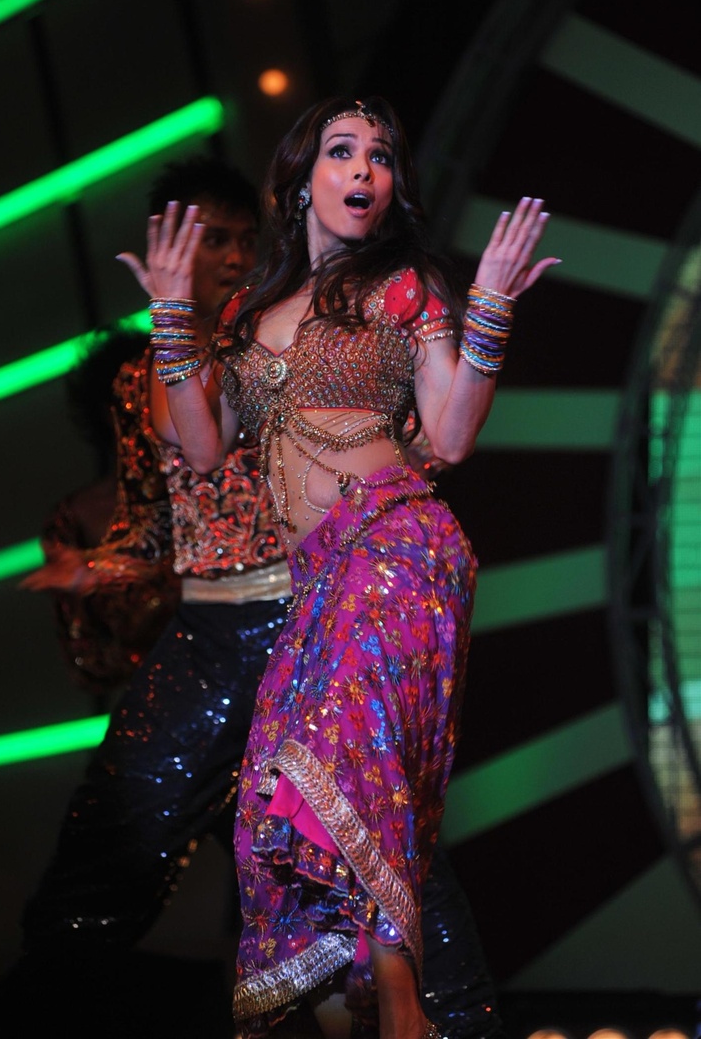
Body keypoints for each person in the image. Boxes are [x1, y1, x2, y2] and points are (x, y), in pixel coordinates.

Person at [0, 150, 506, 1038]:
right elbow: (155, 520)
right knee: (105, 851)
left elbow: (414, 444)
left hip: (308, 625)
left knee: (376, 845)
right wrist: (98, 567)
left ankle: (456, 1024)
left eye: (235, 238)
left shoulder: (307, 331)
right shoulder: (149, 372)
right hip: (204, 646)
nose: (222, 254)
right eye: (201, 238)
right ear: (167, 246)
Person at [131, 96, 559, 1039]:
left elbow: (451, 434)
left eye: (381, 156)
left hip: (399, 548)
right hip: (317, 583)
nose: (365, 169)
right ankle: (363, 1002)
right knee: (285, 800)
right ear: (301, 181)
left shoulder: (405, 287)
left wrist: (488, 305)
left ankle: (399, 998)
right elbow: (199, 445)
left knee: (341, 755)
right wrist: (171, 315)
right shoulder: (245, 314)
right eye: (342, 151)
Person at [29, 324, 180, 698]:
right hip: (155, 703)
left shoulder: (206, 485)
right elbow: (86, 663)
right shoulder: (73, 520)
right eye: (131, 399)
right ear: (104, 413)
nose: (145, 415)